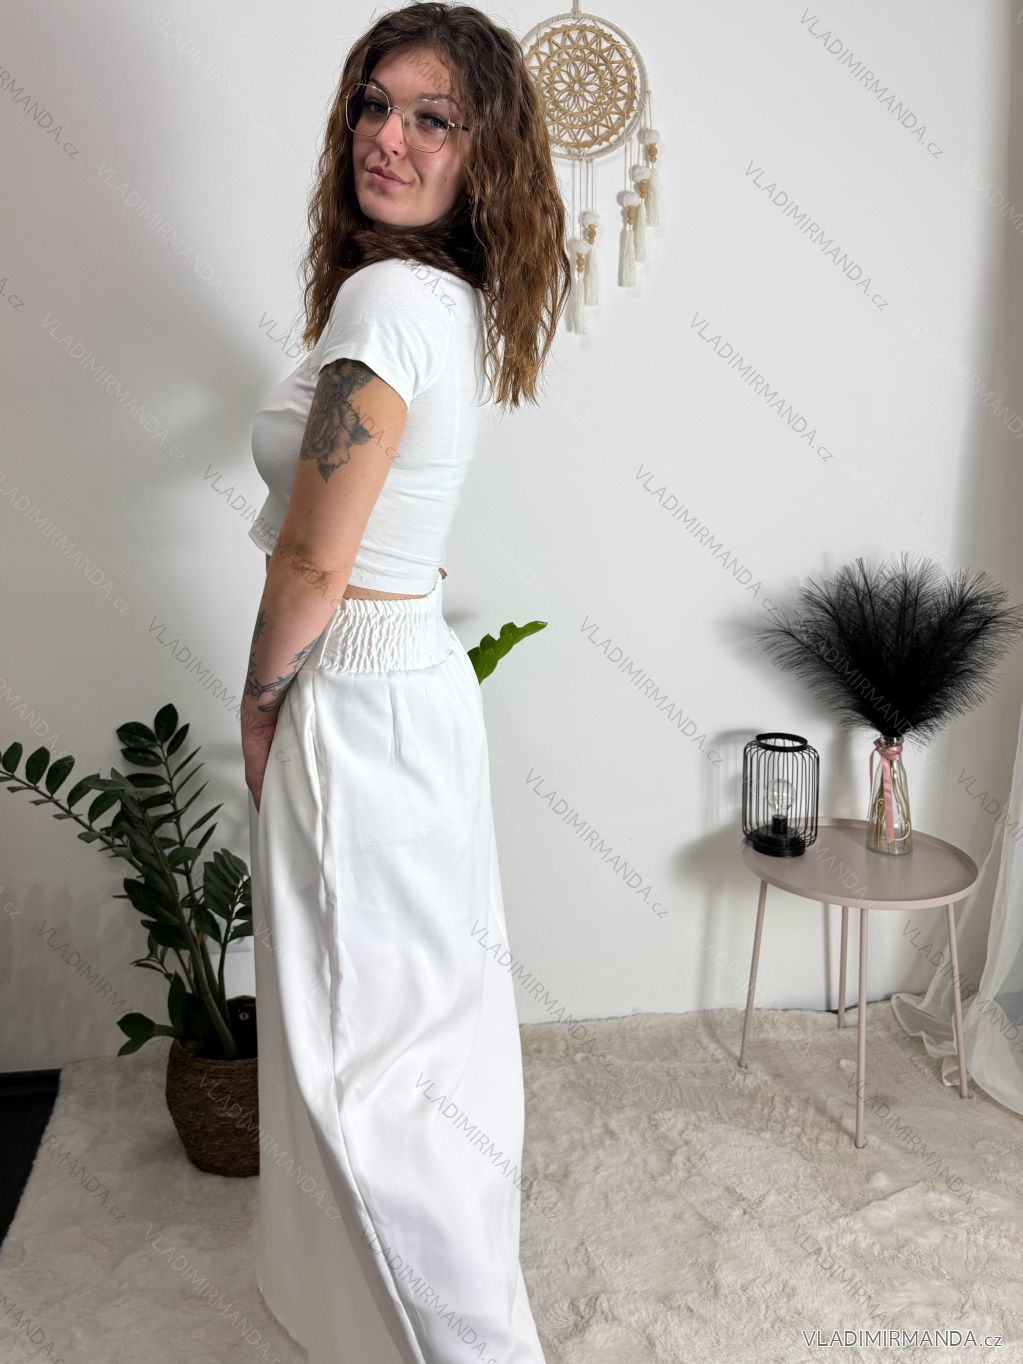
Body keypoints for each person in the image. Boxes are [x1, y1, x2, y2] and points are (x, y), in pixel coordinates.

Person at [239, 4, 570, 1361]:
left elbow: (316, 559)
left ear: (484, 152)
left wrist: (260, 700)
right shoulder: (444, 299)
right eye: (375, 105)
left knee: (371, 1061)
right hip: (414, 681)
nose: (389, 136)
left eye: (434, 118)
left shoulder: (387, 304)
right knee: (425, 1042)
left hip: (358, 693)